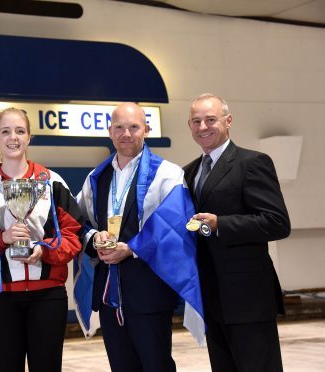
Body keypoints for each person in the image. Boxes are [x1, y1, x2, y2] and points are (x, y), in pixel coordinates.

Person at [75, 102, 204, 372]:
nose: (126, 133)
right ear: (109, 131)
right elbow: (78, 222)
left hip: (149, 293)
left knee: (156, 365)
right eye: (119, 127)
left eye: (134, 127)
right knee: (121, 367)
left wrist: (131, 248)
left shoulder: (167, 174)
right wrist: (94, 237)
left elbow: (175, 224)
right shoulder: (96, 178)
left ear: (146, 129)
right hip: (109, 295)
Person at [0, 108, 84, 372]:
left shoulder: (52, 182)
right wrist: (1, 238)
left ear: (29, 138)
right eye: (5, 131)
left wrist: (45, 251)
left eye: (19, 131)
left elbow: (72, 235)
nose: (13, 137)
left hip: (47, 296)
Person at [183, 93, 291, 372]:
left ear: (228, 121)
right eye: (196, 121)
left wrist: (221, 224)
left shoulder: (252, 163)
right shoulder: (188, 173)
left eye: (210, 120)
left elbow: (276, 222)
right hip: (209, 295)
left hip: (248, 299)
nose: (203, 127)